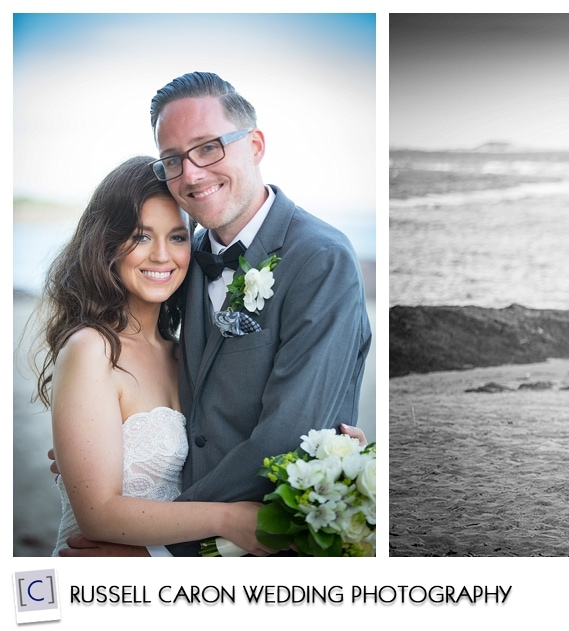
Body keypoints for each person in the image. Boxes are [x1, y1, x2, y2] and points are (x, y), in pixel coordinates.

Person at [57, 71, 372, 557]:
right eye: (173, 159)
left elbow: (288, 437)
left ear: (256, 145)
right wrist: (91, 455)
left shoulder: (321, 259)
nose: (192, 173)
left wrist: (157, 548)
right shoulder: (193, 256)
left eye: (208, 147)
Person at [36, 156, 272, 556]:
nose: (162, 255)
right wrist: (226, 519)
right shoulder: (91, 349)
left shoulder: (184, 354)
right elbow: (97, 513)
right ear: (107, 243)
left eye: (178, 237)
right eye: (142, 236)